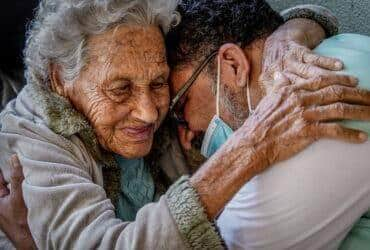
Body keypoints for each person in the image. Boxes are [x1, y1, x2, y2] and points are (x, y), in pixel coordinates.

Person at [0, 1, 369, 249]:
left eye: (159, 84)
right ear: (60, 79)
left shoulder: (152, 92)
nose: (148, 112)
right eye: (120, 89)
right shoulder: (32, 140)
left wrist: (294, 30)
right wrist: (250, 149)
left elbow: (234, 32)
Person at [166, 0, 370, 249]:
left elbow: (236, 241)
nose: (185, 138)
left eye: (181, 107)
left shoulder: (313, 108)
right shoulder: (345, 48)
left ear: (233, 64)